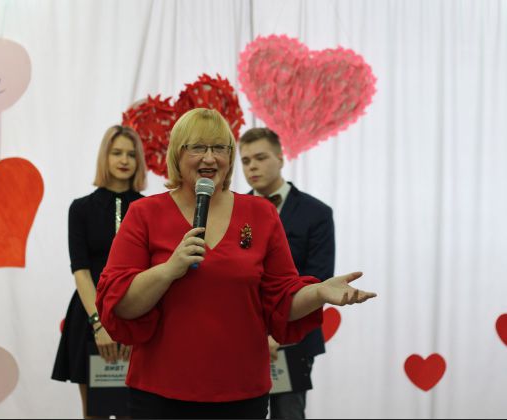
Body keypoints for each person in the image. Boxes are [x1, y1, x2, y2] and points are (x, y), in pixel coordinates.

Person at [96, 108, 376, 419]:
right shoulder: (144, 214)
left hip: (241, 392)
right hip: (160, 392)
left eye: (220, 148)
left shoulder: (261, 214)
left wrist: (319, 292)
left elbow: (282, 300)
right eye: (198, 147)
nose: (210, 157)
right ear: (177, 154)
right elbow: (121, 304)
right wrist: (168, 270)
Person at [52, 125, 148, 419]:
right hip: (90, 317)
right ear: (104, 157)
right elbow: (80, 271)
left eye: (131, 154)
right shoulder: (80, 209)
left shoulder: (150, 208)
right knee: (95, 414)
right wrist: (100, 325)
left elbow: (153, 271)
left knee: (136, 413)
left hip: (139, 318)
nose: (124, 160)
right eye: (117, 152)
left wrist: (133, 328)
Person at [239, 127, 334, 419]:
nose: (252, 167)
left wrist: (277, 334)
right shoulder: (232, 211)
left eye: (260, 158)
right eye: (245, 161)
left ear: (280, 158)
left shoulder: (316, 213)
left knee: (288, 414)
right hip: (240, 337)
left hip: (295, 338)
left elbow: (318, 279)